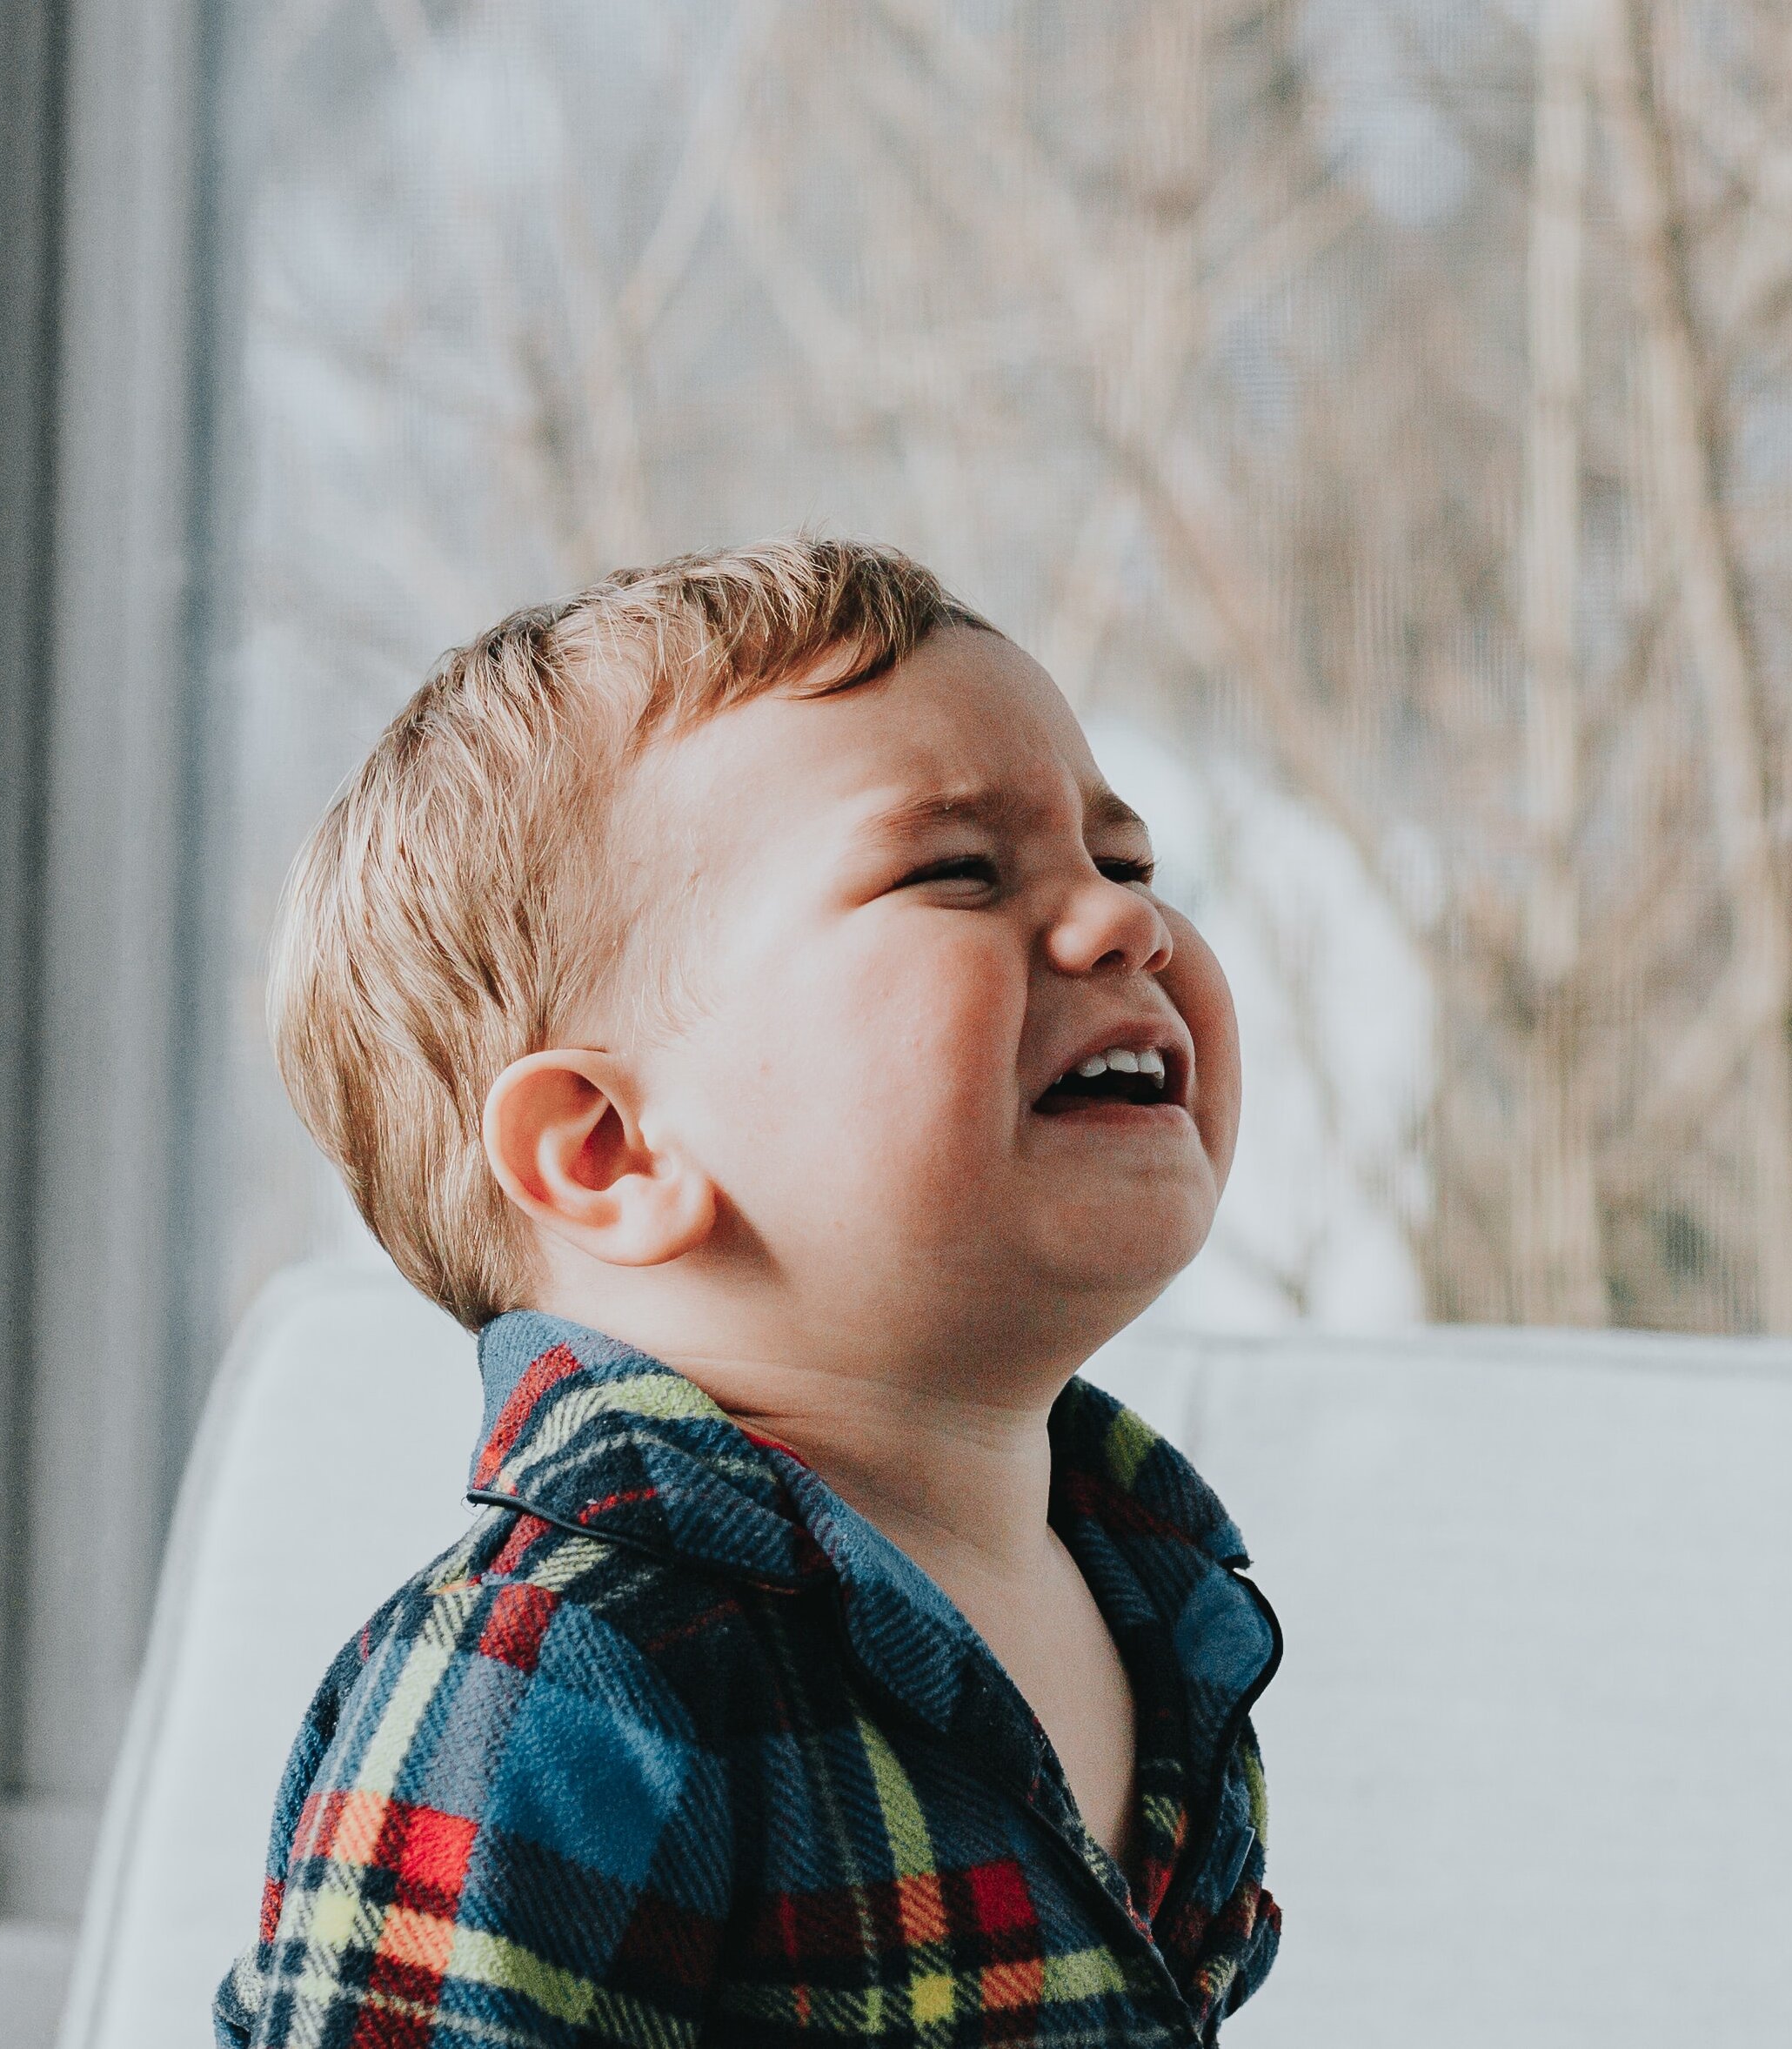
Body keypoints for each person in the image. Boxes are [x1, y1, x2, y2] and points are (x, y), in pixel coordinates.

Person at [216, 538, 1281, 2047]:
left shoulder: (1158, 1608)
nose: (1129, 926)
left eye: (1126, 862)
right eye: (958, 872)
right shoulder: (553, 1669)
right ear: (609, 1149)